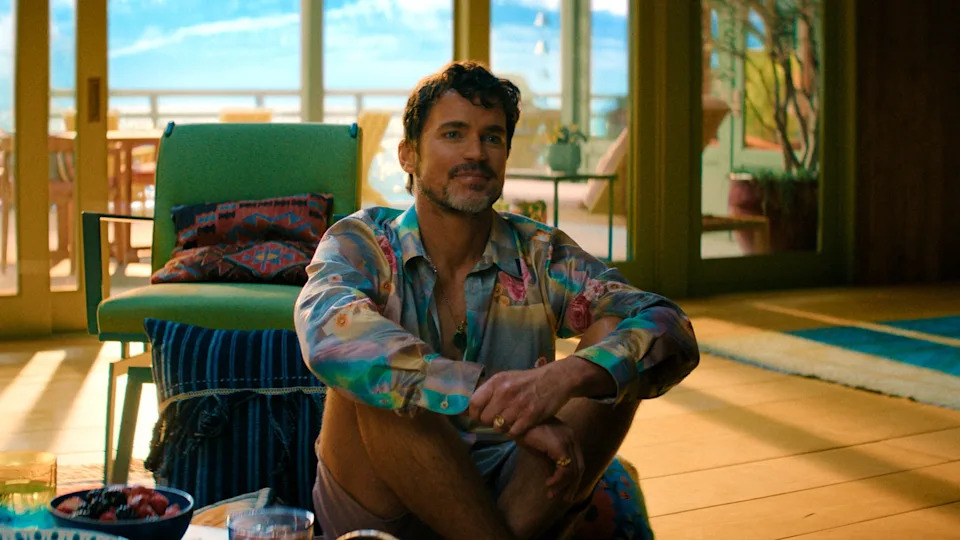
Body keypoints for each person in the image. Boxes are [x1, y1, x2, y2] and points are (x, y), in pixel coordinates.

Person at [294, 61, 699, 539]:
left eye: (492, 137)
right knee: (377, 375)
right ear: (408, 155)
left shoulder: (542, 254)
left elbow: (670, 326)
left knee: (613, 337)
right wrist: (497, 401)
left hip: (512, 490)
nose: (476, 153)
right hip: (380, 504)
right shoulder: (362, 241)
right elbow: (326, 333)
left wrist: (562, 378)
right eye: (453, 134)